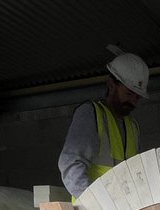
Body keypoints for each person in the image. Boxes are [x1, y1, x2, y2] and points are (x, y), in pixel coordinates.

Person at [58, 49, 149, 199]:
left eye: (137, 97)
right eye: (129, 93)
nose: (133, 101)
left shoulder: (133, 127)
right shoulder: (90, 114)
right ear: (111, 84)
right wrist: (94, 206)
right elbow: (70, 164)